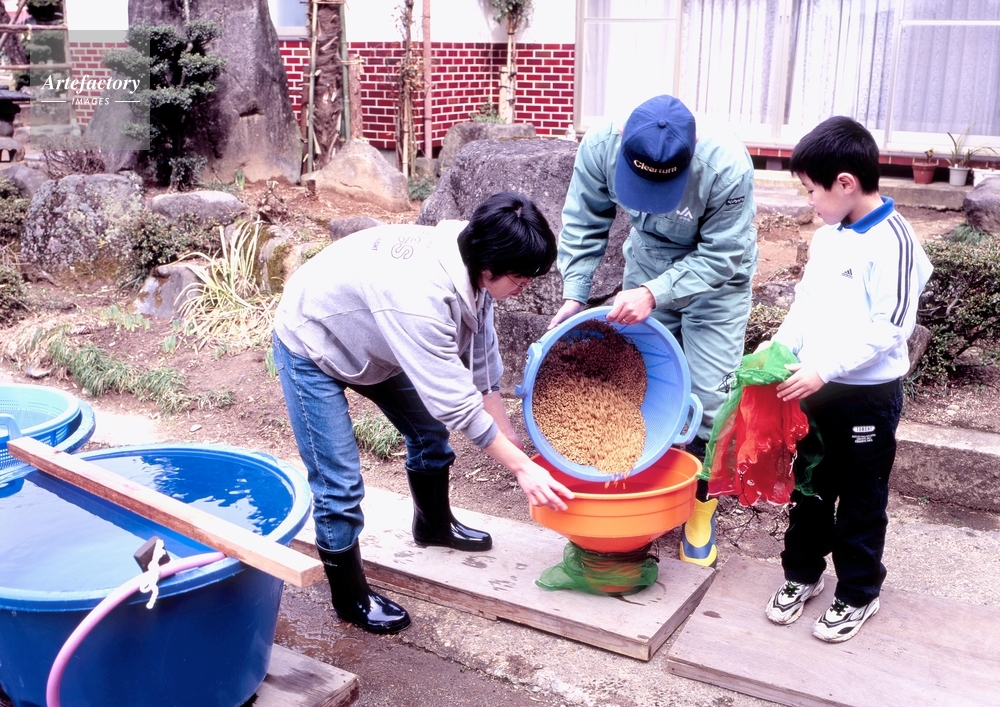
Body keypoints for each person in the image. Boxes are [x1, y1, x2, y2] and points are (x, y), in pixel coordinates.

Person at [272, 192, 574, 635]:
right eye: (521, 278)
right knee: (339, 481)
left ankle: (433, 525)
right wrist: (522, 468)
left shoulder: (473, 261)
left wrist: (510, 438)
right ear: (487, 268)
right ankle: (349, 596)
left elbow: (481, 360)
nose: (525, 286)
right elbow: (454, 401)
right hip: (312, 341)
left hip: (373, 336)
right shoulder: (419, 297)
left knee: (429, 432)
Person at [549, 94, 759, 566]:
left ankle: (700, 509)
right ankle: (648, 486)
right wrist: (575, 293)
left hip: (716, 283)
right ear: (624, 140)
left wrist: (654, 293)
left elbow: (722, 255)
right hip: (648, 261)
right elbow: (584, 219)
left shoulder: (726, 166)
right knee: (645, 381)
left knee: (709, 400)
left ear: (693, 150)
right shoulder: (601, 144)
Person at [763, 116, 932, 643]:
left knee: (861, 498)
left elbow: (891, 328)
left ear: (844, 183)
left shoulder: (896, 242)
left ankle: (858, 592)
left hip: (866, 399)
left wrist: (824, 368)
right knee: (810, 486)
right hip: (814, 389)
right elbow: (806, 305)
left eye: (811, 190)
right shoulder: (828, 238)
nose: (809, 201)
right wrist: (779, 347)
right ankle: (802, 574)